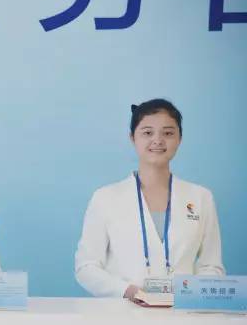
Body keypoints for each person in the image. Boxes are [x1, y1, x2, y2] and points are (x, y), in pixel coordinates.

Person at [75, 98, 224, 298]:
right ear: (132, 138)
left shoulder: (201, 197)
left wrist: (189, 293)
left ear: (180, 139)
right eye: (147, 133)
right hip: (122, 311)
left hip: (182, 312)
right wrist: (128, 291)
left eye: (168, 133)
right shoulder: (105, 198)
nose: (158, 140)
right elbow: (86, 267)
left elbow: (211, 266)